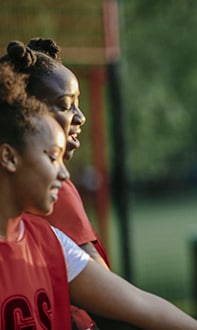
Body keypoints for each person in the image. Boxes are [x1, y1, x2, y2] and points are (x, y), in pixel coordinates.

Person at [0, 62, 197, 329]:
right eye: (52, 157)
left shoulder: (49, 241)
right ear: (8, 156)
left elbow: (139, 305)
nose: (64, 174)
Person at [0, 38, 112, 329]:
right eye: (65, 105)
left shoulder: (48, 184)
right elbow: (112, 306)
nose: (80, 116)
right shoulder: (50, 190)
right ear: (28, 113)